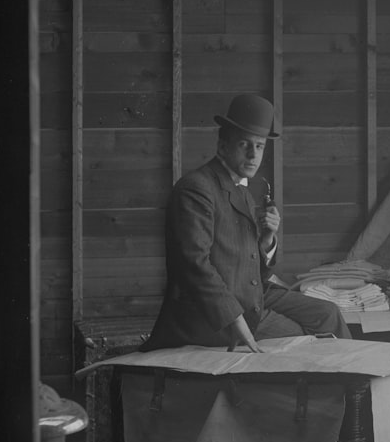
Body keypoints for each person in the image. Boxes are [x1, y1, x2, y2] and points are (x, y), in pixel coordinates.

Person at [142, 94, 351, 352]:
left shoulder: (241, 190)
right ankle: (343, 390)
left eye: (260, 146)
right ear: (222, 146)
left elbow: (254, 272)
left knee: (328, 314)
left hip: (251, 295)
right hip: (213, 314)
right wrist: (234, 318)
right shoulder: (196, 189)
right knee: (300, 339)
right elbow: (194, 265)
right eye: (244, 144)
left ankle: (356, 390)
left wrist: (266, 240)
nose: (254, 155)